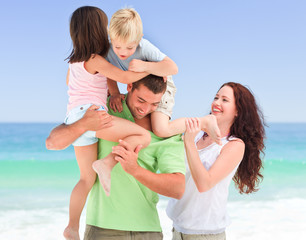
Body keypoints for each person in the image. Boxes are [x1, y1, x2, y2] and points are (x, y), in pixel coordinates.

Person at [46, 75, 220, 239]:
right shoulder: (106, 110)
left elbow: (177, 188)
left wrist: (135, 170)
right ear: (130, 87)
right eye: (141, 100)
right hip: (102, 229)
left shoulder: (167, 132)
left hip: (147, 231)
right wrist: (82, 124)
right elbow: (52, 143)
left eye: (154, 104)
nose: (145, 109)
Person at [49, 6, 153, 240]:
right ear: (99, 30)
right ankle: (107, 163)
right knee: (143, 137)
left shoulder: (74, 63)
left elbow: (78, 84)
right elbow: (123, 77)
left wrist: (112, 92)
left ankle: (72, 227)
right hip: (93, 115)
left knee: (86, 179)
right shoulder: (96, 59)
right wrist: (149, 71)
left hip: (74, 117)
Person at [166, 82, 266, 240]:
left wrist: (189, 143)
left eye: (225, 100)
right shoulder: (197, 134)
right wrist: (201, 123)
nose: (216, 103)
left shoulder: (234, 145)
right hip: (177, 230)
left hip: (206, 234)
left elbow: (204, 184)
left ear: (238, 111)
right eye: (216, 97)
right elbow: (164, 130)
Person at [106, 8, 221, 142]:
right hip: (141, 87)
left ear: (139, 38)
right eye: (118, 47)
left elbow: (172, 68)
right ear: (111, 37)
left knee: (161, 129)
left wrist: (146, 66)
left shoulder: (144, 47)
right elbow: (108, 71)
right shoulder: (108, 49)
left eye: (130, 47)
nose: (123, 52)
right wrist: (114, 93)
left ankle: (204, 122)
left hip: (160, 86)